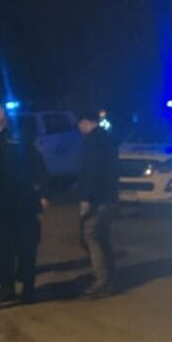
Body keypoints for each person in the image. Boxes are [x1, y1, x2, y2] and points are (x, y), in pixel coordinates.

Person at [0, 94, 50, 305]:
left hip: (21, 202)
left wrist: (44, 194)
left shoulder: (20, 136)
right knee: (0, 248)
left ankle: (28, 288)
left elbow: (38, 165)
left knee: (25, 247)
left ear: (0, 112)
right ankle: (6, 287)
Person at [77, 108, 119, 298]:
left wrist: (86, 198)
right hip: (110, 196)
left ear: (85, 122)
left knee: (91, 236)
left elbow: (90, 172)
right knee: (103, 236)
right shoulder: (108, 138)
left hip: (97, 199)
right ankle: (110, 277)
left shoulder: (91, 142)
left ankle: (102, 281)